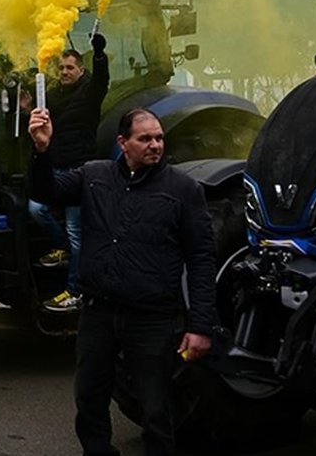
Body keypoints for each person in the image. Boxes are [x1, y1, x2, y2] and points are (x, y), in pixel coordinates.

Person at [27, 107, 216, 456]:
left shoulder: (183, 189)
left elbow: (201, 259)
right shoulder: (94, 176)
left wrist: (201, 325)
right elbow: (46, 190)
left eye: (159, 137)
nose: (155, 145)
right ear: (122, 142)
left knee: (156, 406)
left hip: (152, 317)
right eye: (145, 138)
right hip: (99, 312)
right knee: (89, 397)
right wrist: (41, 151)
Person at [28, 34, 109, 312]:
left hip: (79, 168)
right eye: (61, 68)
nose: (64, 72)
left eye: (70, 68)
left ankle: (75, 292)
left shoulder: (90, 91)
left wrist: (99, 54)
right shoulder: (51, 95)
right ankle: (61, 247)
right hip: (57, 166)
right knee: (37, 209)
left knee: (78, 233)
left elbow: (101, 79)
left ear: (81, 70)